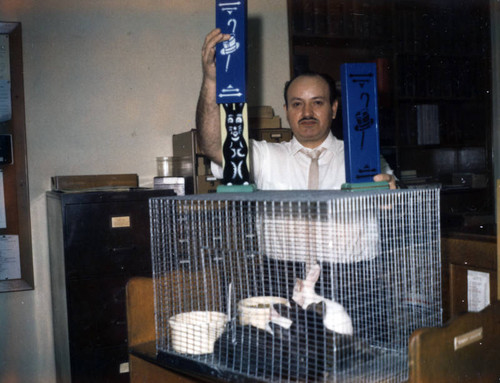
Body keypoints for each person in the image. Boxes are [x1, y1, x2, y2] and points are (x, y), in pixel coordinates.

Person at [196, 28, 396, 190]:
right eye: (297, 104)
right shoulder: (265, 158)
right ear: (286, 110)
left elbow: (396, 210)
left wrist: (392, 197)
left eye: (317, 102)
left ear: (334, 109)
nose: (307, 112)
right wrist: (212, 81)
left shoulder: (366, 157)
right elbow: (213, 147)